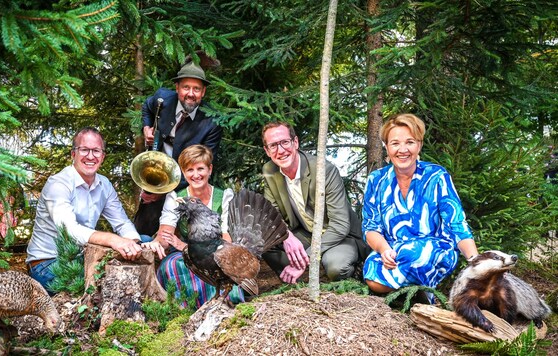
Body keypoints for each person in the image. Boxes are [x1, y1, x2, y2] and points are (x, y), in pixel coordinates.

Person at [361, 113, 479, 299]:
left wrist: (476, 262)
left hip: (435, 249)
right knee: (371, 270)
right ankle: (417, 292)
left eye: (410, 142)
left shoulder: (436, 176)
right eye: (395, 143)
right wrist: (384, 250)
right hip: (395, 250)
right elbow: (370, 228)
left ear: (419, 145)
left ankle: (413, 291)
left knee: (417, 254)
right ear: (386, 147)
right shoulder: (376, 180)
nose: (402, 149)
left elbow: (457, 224)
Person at [26, 127, 143, 292]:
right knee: (108, 278)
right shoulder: (58, 184)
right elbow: (70, 230)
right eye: (84, 150)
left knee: (142, 242)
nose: (90, 156)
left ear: (103, 156)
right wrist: (114, 240)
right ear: (73, 154)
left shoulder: (104, 185)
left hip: (82, 257)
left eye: (96, 151)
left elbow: (122, 222)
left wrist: (135, 243)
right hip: (47, 264)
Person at [260, 122, 371, 284]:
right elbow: (273, 216)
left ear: (295, 142)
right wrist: (287, 236)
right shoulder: (270, 170)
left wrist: (307, 256)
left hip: (339, 236)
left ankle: (353, 273)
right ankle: (296, 282)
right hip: (306, 233)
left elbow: (340, 224)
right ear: (267, 151)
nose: (281, 150)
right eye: (273, 145)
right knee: (266, 242)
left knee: (336, 267)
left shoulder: (324, 170)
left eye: (285, 142)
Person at [141, 144, 244, 308]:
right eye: (190, 170)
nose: (196, 175)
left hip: (219, 255)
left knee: (220, 269)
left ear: (210, 169)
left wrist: (184, 246)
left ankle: (223, 306)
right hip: (187, 256)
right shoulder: (176, 197)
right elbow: (165, 235)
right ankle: (183, 311)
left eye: (200, 169)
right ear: (183, 172)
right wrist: (155, 243)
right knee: (172, 265)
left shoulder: (225, 196)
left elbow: (227, 240)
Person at [136, 60, 224, 236]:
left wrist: (164, 194)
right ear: (177, 88)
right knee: (143, 231)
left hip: (186, 184)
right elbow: (147, 106)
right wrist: (146, 127)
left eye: (196, 89)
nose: (190, 94)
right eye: (186, 87)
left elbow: (204, 165)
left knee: (183, 238)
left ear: (203, 92)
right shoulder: (162, 98)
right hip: (157, 175)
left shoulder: (212, 122)